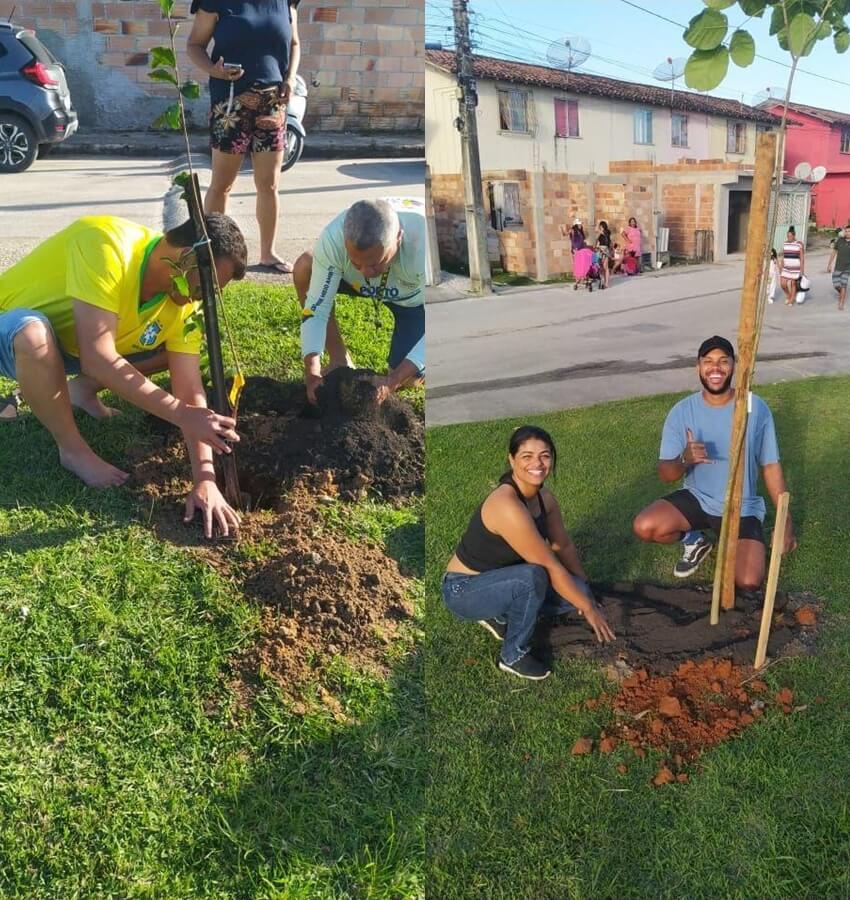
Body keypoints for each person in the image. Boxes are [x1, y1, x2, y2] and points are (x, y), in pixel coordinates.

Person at [0, 214, 247, 537]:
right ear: (185, 257)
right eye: (204, 289)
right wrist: (182, 415)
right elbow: (97, 358)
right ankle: (74, 451)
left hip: (69, 347)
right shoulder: (106, 242)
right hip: (14, 331)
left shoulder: (185, 304)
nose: (204, 299)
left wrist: (205, 480)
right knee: (33, 334)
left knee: (167, 355)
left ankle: (78, 392)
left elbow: (189, 388)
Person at [442, 426, 615, 681]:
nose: (537, 463)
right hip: (463, 590)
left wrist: (585, 587)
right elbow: (549, 565)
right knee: (533, 577)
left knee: (573, 591)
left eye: (545, 455)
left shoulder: (546, 498)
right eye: (527, 456)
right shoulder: (506, 505)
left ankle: (500, 613)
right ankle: (512, 656)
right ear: (511, 459)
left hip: (502, 576)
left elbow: (562, 546)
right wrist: (587, 607)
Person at [633, 335, 797, 586]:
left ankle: (740, 541)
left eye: (723, 361)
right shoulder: (681, 411)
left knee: (747, 581)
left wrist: (785, 520)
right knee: (645, 526)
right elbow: (666, 473)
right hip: (698, 499)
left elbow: (771, 466)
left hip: (742, 507)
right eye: (708, 361)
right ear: (698, 367)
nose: (715, 368)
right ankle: (695, 541)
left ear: (734, 365)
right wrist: (685, 460)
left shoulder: (755, 408)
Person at [187, 0, 301, 274]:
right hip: (230, 104)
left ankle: (268, 253)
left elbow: (294, 43)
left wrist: (290, 77)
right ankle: (213, 254)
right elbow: (194, 46)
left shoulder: (286, 2)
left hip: (274, 103)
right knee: (222, 185)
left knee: (269, 185)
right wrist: (214, 70)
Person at [294, 197, 425, 405]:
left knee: (408, 378)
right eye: (355, 262)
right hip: (357, 286)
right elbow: (317, 308)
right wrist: (311, 370)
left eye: (376, 263)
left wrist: (394, 379)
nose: (366, 272)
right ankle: (339, 358)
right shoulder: (334, 238)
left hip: (413, 300)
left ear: (399, 238)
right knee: (305, 267)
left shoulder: (424, 244)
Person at [827, 223, 850, 311]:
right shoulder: (840, 240)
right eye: (846, 231)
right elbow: (834, 253)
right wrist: (829, 264)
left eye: (849, 231)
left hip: (847, 268)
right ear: (844, 232)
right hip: (838, 267)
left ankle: (841, 303)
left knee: (843, 285)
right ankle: (842, 293)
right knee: (836, 285)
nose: (848, 233)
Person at [779, 226, 805, 306]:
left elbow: (802, 258)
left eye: (790, 236)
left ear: (794, 236)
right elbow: (784, 257)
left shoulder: (799, 244)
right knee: (782, 284)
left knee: (793, 284)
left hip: (795, 268)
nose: (789, 238)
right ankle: (788, 295)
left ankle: (791, 300)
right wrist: (781, 266)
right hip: (786, 268)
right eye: (788, 236)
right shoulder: (785, 243)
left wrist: (802, 270)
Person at [595, 220, 612, 289]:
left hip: (604, 250)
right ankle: (604, 281)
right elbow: (597, 239)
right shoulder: (601, 233)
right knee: (601, 267)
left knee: (605, 267)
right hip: (600, 250)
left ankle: (607, 283)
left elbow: (596, 229)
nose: (599, 227)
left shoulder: (607, 232)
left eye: (600, 226)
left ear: (602, 226)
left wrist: (598, 222)